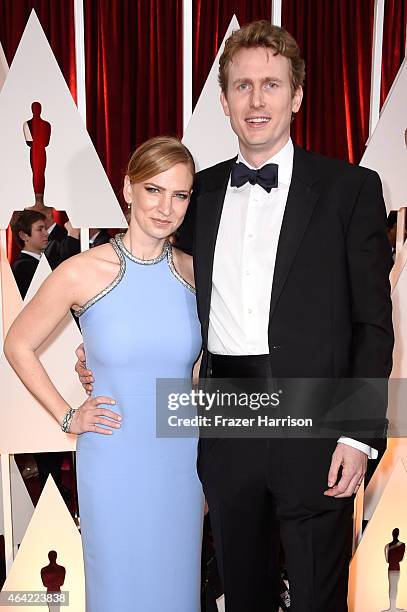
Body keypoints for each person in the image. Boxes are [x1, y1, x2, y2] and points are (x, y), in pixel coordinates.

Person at [76, 21, 393, 612]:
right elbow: (146, 274)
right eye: (242, 86)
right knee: (238, 591)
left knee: (318, 597)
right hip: (225, 419)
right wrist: (95, 346)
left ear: (297, 96)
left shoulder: (352, 189)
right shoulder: (199, 193)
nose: (256, 100)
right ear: (223, 101)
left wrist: (357, 433)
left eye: (271, 84)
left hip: (319, 424)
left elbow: (372, 324)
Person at [4, 136, 204, 612]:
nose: (166, 207)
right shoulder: (81, 271)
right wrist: (67, 415)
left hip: (180, 459)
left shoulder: (196, 274)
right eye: (154, 190)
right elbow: (17, 343)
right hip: (113, 458)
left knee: (177, 590)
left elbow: (196, 371)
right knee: (118, 590)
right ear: (128, 189)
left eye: (180, 195)